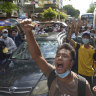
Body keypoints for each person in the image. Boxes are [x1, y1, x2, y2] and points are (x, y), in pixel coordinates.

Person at [19, 19, 93, 96]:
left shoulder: (82, 84)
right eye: (57, 55)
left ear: (71, 63)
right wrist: (28, 32)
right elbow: (37, 56)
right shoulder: (51, 73)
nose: (60, 58)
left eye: (65, 56)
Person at [67, 22, 96, 88]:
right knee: (81, 89)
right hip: (80, 73)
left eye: (87, 37)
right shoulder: (79, 46)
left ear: (89, 39)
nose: (85, 39)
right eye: (84, 37)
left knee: (89, 89)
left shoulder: (93, 50)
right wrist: (71, 29)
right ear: (82, 38)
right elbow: (69, 39)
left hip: (90, 74)